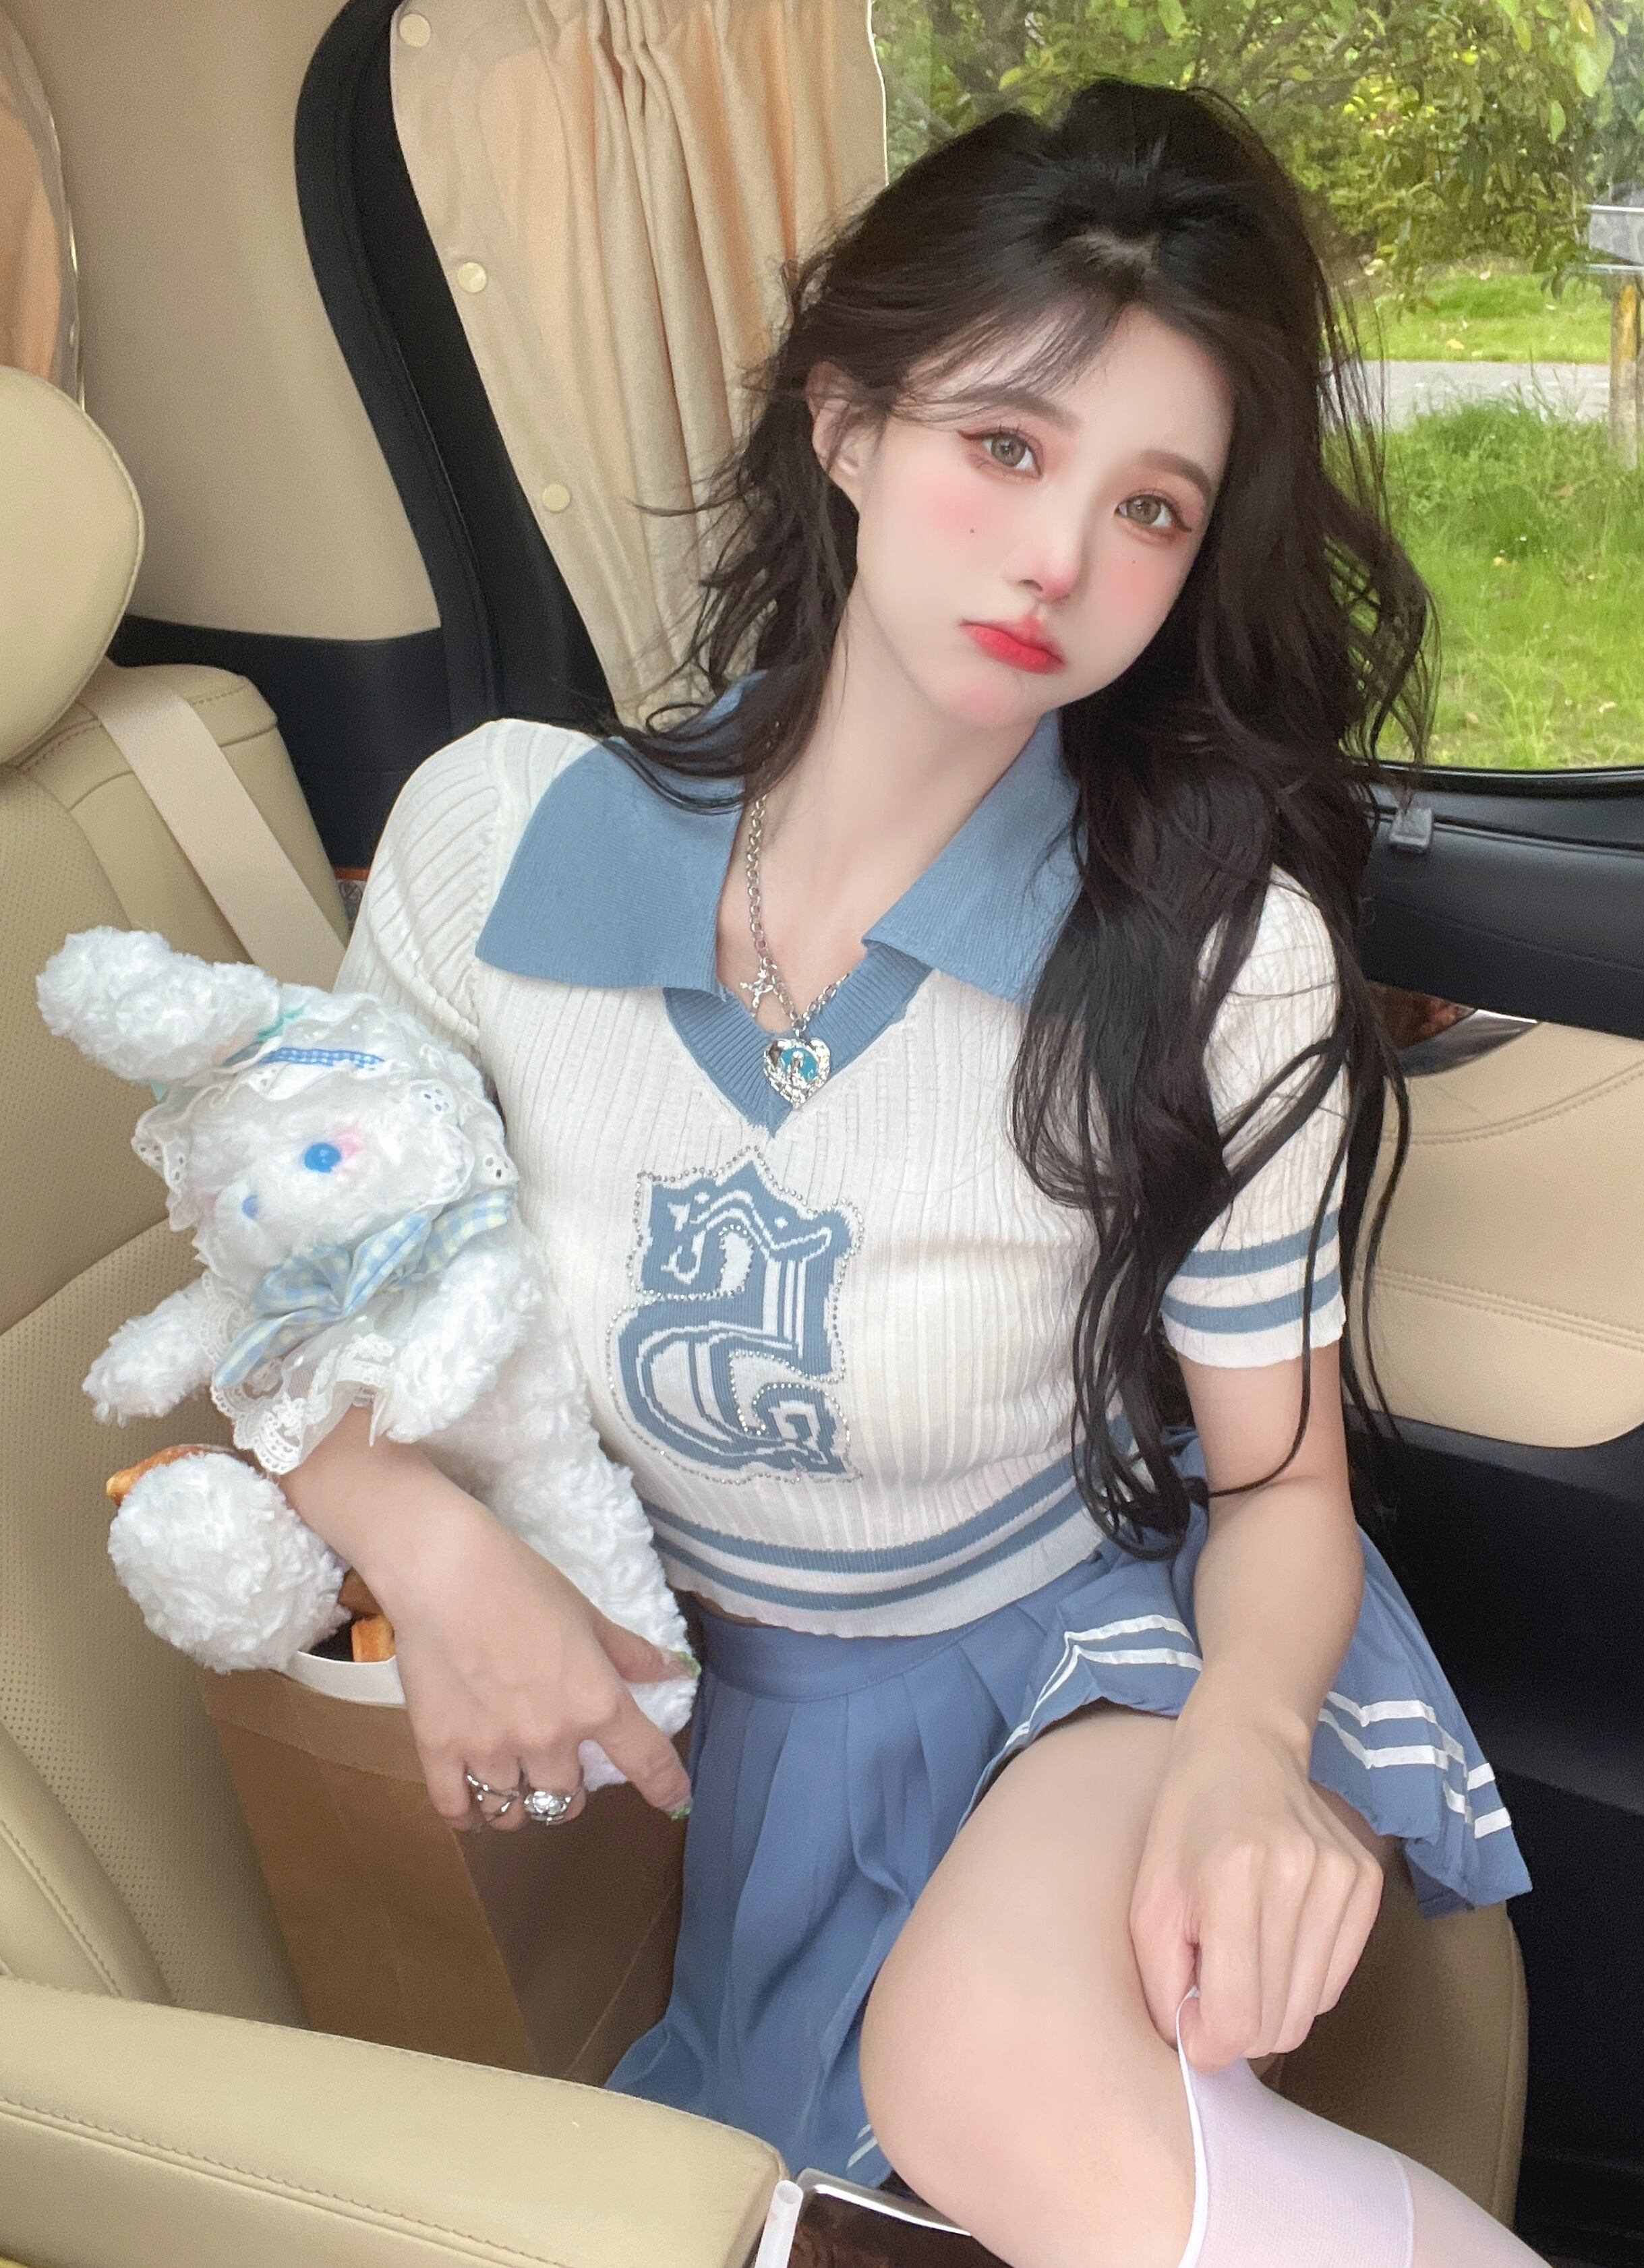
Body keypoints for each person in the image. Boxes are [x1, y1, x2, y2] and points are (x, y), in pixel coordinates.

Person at [284, 78, 1540, 2267]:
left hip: (1095, 1646)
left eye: (1149, 507)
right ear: (847, 423)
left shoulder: (1209, 953)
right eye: (1004, 445)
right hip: (751, 1720)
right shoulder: (493, 842)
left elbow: (1276, 1481)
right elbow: (288, 1274)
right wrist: (425, 1536)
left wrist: (1246, 1746)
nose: (1058, 560)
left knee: (983, 2062)